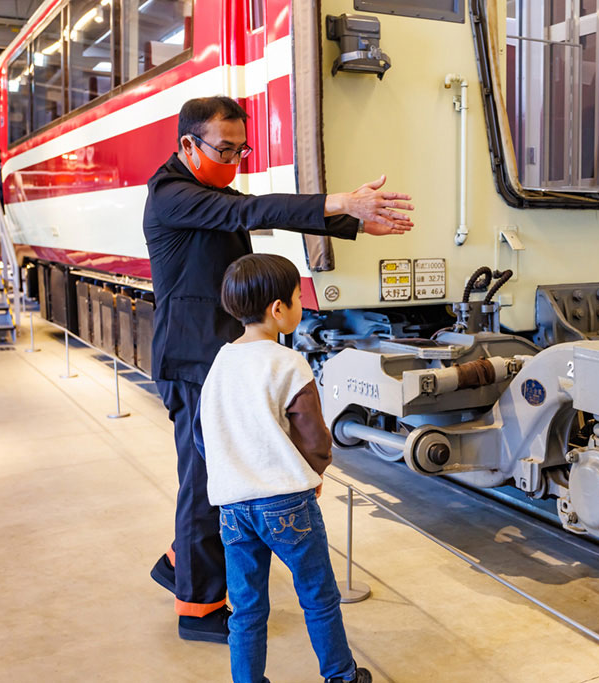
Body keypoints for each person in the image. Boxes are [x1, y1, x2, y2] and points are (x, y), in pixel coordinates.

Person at [143, 95, 413, 643]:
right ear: (186, 144)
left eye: (242, 148)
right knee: (205, 485)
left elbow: (255, 210)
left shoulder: (205, 189)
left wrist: (352, 223)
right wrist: (340, 200)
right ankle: (198, 611)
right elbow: (251, 212)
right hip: (194, 361)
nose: (236, 159)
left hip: (222, 361)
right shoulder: (171, 195)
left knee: (216, 476)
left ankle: (181, 562)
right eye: (225, 148)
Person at [195, 253, 369, 683]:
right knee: (318, 597)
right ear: (278, 309)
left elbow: (203, 435)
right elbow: (313, 437)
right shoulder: (287, 362)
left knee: (247, 608)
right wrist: (315, 473)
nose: (301, 306)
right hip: (286, 501)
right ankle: (341, 676)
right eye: (297, 298)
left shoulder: (220, 363)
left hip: (233, 506)